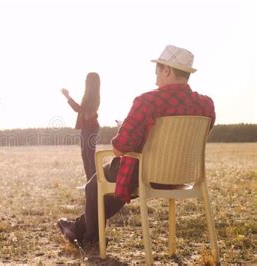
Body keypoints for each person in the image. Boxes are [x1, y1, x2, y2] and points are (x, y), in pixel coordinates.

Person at [57, 45, 216, 246]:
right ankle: (77, 228)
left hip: (146, 174)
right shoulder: (206, 104)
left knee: (93, 186)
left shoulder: (147, 101)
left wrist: (125, 129)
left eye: (157, 71)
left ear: (167, 70)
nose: (155, 77)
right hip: (182, 176)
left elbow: (119, 148)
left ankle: (90, 240)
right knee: (116, 191)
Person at [61, 72, 100, 181]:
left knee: (90, 157)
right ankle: (90, 183)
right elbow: (83, 111)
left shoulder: (93, 96)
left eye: (87, 79)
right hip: (86, 128)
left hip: (90, 128)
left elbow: (80, 110)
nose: (85, 81)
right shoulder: (89, 95)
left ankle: (93, 183)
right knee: (85, 156)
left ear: (91, 82)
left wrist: (67, 96)